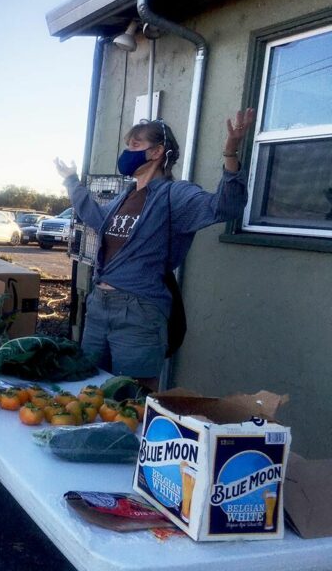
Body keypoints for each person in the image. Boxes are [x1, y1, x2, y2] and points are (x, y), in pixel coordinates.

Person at [55, 108, 256, 390]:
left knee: (132, 399)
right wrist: (71, 181)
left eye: (135, 145)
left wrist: (230, 154)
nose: (128, 151)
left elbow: (225, 206)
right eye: (128, 145)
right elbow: (94, 215)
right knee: (90, 389)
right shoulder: (126, 195)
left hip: (139, 312)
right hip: (99, 307)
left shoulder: (175, 194)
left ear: (157, 151)